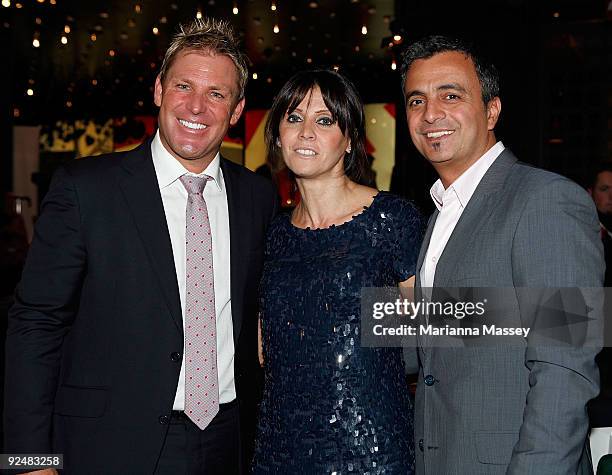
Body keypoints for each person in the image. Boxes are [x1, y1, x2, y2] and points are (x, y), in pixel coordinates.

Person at [4, 18, 277, 474]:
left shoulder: (257, 197)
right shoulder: (85, 189)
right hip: (109, 444)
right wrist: (28, 460)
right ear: (158, 90)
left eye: (217, 94)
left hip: (231, 442)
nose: (196, 106)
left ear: (236, 109)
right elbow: (35, 324)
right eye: (183, 86)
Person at [400, 35, 604, 474]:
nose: (431, 114)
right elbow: (438, 341)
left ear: (492, 110)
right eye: (417, 101)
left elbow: (565, 368)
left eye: (450, 95)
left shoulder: (548, 201)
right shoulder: (439, 216)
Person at [251, 69, 421, 474]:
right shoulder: (271, 234)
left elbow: (437, 327)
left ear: (349, 140)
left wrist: (567, 317)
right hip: (281, 449)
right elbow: (262, 350)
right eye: (293, 118)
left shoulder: (391, 219)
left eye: (324, 120)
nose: (305, 131)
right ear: (276, 136)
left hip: (372, 450)